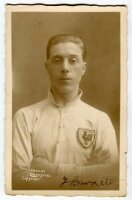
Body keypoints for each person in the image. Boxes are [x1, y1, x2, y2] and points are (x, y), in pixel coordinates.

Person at [12, 34, 119, 189]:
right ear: (47, 67)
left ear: (83, 68)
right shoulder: (24, 117)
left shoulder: (100, 120)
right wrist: (89, 173)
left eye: (73, 60)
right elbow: (19, 179)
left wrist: (46, 169)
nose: (65, 68)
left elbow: (110, 177)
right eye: (57, 60)